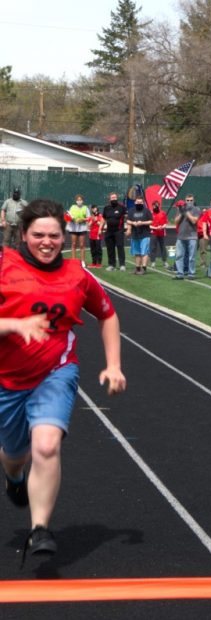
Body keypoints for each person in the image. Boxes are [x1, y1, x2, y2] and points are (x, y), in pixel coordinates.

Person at [0, 198, 126, 559]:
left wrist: (113, 364)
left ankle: (39, 529)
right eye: (38, 234)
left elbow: (108, 314)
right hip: (6, 378)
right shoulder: (3, 265)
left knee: (46, 445)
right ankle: (12, 476)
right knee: (15, 453)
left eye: (54, 235)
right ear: (23, 234)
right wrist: (14, 324)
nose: (46, 242)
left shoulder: (77, 274)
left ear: (64, 235)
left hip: (55, 371)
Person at [173, 198, 200, 280]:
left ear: (193, 201)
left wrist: (186, 212)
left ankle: (191, 274)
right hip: (181, 236)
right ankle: (180, 273)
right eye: (187, 200)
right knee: (179, 256)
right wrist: (181, 213)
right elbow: (176, 222)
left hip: (192, 236)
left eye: (191, 200)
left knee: (191, 257)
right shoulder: (180, 209)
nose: (189, 202)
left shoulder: (196, 209)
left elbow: (194, 221)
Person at [126, 198, 153, 275]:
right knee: (137, 252)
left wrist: (142, 223)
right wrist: (133, 223)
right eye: (137, 202)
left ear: (143, 203)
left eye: (141, 202)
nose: (139, 203)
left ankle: (144, 269)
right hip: (135, 235)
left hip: (145, 235)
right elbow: (128, 220)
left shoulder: (146, 211)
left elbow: (151, 221)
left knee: (144, 252)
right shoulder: (131, 211)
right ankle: (137, 268)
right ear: (135, 202)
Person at [102, 192, 127, 271]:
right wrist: (100, 228)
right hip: (109, 231)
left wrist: (129, 228)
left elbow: (127, 217)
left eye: (115, 197)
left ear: (117, 198)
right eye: (112, 198)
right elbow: (103, 218)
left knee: (120, 247)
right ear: (109, 199)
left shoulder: (121, 207)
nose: (114, 199)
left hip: (119, 231)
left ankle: (122, 265)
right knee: (110, 248)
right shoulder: (106, 208)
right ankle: (111, 265)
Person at [67, 194, 90, 263]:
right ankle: (74, 261)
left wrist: (82, 220)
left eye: (80, 200)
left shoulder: (85, 208)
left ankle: (83, 261)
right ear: (76, 201)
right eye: (78, 200)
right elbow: (68, 216)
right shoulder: (72, 207)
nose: (79, 201)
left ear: (82, 201)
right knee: (74, 244)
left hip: (82, 228)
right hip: (73, 228)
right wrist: (71, 219)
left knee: (82, 245)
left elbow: (88, 218)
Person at [149, 200, 168, 268]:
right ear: (152, 206)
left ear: (159, 206)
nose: (155, 206)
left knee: (163, 247)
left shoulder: (163, 213)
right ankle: (153, 262)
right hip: (153, 233)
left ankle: (165, 261)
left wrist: (162, 227)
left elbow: (165, 223)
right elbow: (149, 225)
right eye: (154, 205)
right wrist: (155, 227)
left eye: (157, 205)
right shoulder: (150, 214)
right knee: (153, 247)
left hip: (161, 233)